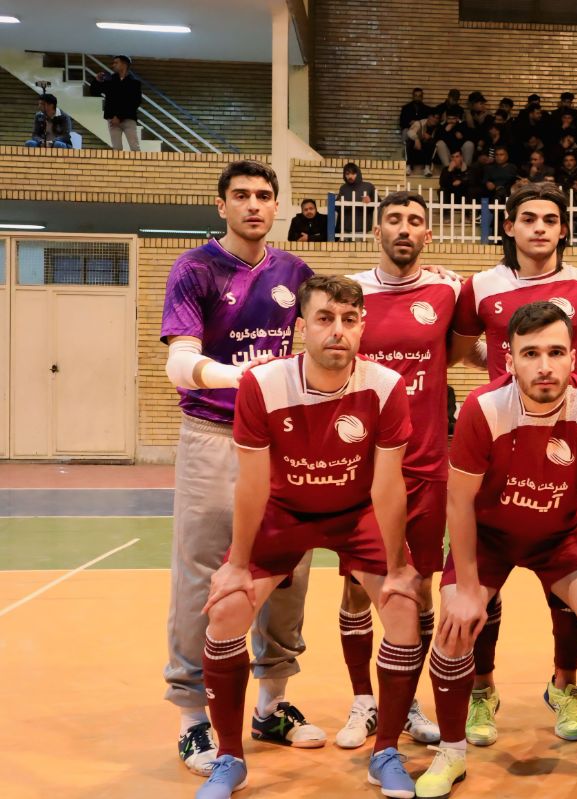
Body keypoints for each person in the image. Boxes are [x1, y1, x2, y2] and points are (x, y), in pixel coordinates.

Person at [195, 275, 422, 799]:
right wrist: (237, 564)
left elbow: (388, 484)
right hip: (284, 512)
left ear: (362, 327)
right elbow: (252, 482)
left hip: (356, 512)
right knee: (226, 610)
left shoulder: (385, 386)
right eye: (324, 318)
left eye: (349, 320)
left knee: (405, 610)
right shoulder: (264, 384)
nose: (337, 330)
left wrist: (398, 567)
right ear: (301, 328)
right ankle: (229, 757)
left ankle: (386, 750)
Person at [416, 301, 577, 799]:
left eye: (556, 352)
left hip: (562, 534)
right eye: (530, 353)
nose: (544, 365)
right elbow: (459, 500)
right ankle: (450, 752)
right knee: (452, 629)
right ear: (509, 359)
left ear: (574, 357)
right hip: (490, 536)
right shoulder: (484, 408)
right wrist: (466, 588)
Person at [449, 182, 577, 746]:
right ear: (509, 226)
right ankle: (482, 689)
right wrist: (502, 369)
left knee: (566, 574)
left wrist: (569, 370)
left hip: (565, 438)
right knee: (482, 589)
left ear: (564, 228)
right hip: (502, 435)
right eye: (529, 218)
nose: (540, 228)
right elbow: (456, 348)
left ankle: (564, 684)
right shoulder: (481, 286)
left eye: (551, 219)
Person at [160, 160, 318, 779]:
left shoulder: (294, 273)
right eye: (242, 195)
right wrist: (242, 377)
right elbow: (180, 363)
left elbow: (336, 323)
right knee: (203, 575)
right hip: (213, 436)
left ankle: (271, 705)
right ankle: (192, 716)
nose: (254, 204)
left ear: (277, 206)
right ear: (221, 205)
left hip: (282, 441)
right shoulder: (194, 268)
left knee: (288, 572)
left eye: (264, 195)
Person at [337, 191, 472, 750]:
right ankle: (362, 701)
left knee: (418, 588)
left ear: (427, 235)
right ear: (376, 231)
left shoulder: (448, 291)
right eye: (393, 219)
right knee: (357, 588)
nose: (404, 229)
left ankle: (406, 702)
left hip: (425, 466)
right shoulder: (351, 294)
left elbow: (461, 351)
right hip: (362, 470)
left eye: (415, 221)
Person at [89, 54, 142, 151]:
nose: (113, 65)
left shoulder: (134, 83)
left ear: (124, 64)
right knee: (116, 149)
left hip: (127, 119)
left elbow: (135, 102)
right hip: (113, 120)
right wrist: (96, 81)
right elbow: (94, 92)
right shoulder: (111, 80)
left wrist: (119, 117)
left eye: (116, 63)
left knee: (135, 147)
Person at [336, 162, 377, 240]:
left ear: (358, 173)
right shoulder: (343, 188)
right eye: (347, 174)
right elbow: (337, 207)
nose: (350, 176)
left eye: (353, 173)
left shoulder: (368, 186)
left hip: (361, 229)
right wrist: (339, 202)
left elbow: (379, 203)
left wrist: (370, 200)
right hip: (345, 229)